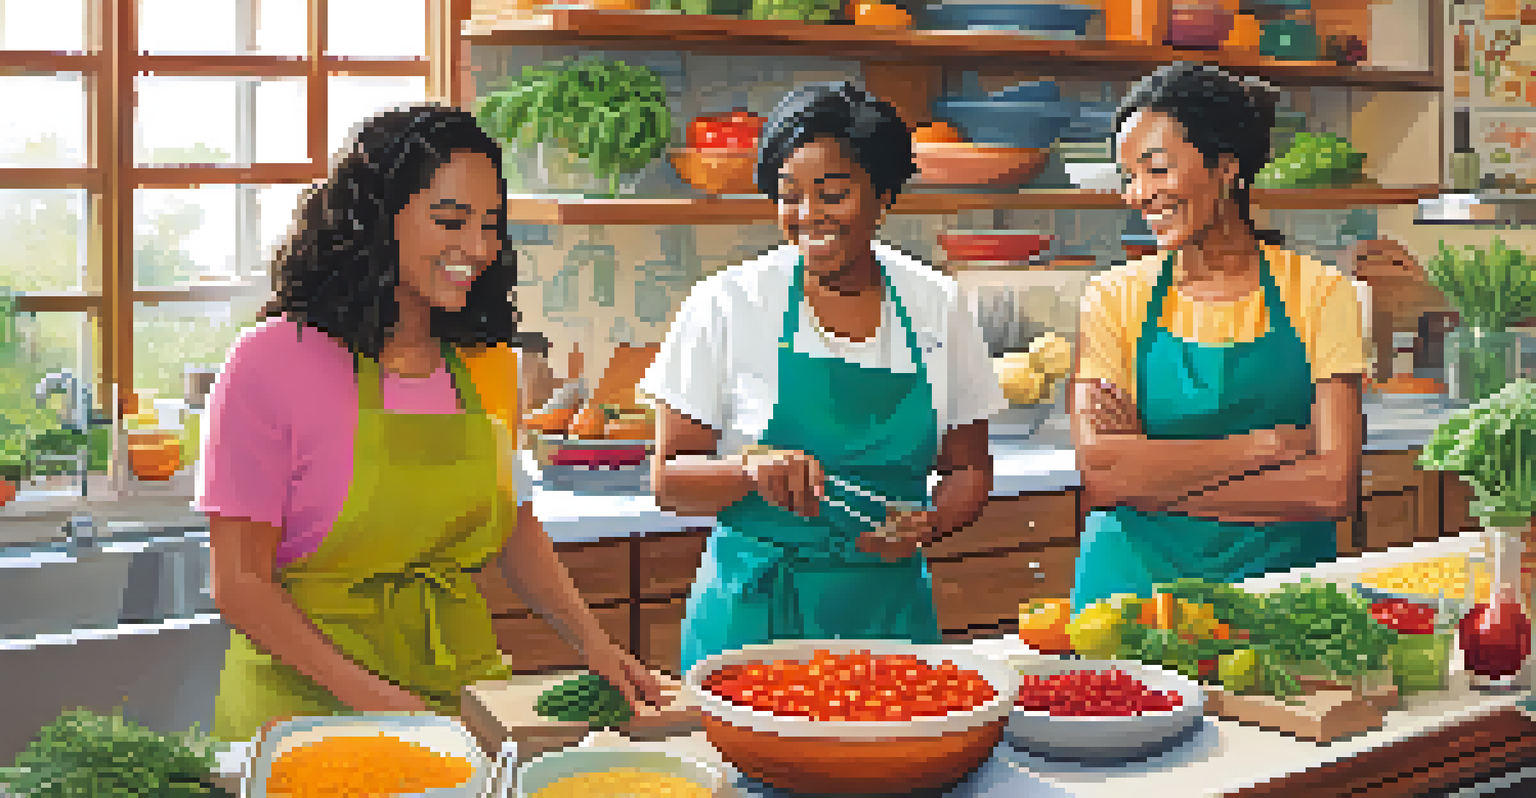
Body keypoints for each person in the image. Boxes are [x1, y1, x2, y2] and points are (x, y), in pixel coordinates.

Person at [198, 105, 664, 742]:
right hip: (300, 713)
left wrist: (595, 645)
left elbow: (513, 525)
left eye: (490, 226)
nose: (475, 248)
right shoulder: (271, 362)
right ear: (376, 219)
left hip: (459, 697)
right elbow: (241, 584)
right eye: (450, 221)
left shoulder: (489, 366)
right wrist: (382, 704)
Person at [639, 81, 1006, 676]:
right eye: (789, 196)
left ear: (883, 196)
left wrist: (932, 522)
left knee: (895, 762)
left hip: (888, 620)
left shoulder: (937, 305)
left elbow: (968, 468)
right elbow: (669, 479)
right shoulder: (727, 303)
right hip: (754, 620)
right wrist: (749, 470)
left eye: (832, 194)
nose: (808, 216)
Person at [1071, 63, 1368, 614]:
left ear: (1226, 167)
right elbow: (1104, 477)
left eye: (1156, 170)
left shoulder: (1321, 292)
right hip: (1131, 594)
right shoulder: (1113, 296)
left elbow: (1330, 490)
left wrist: (1154, 479)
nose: (1138, 195)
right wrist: (1269, 448)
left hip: (1279, 597)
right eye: (1128, 177)